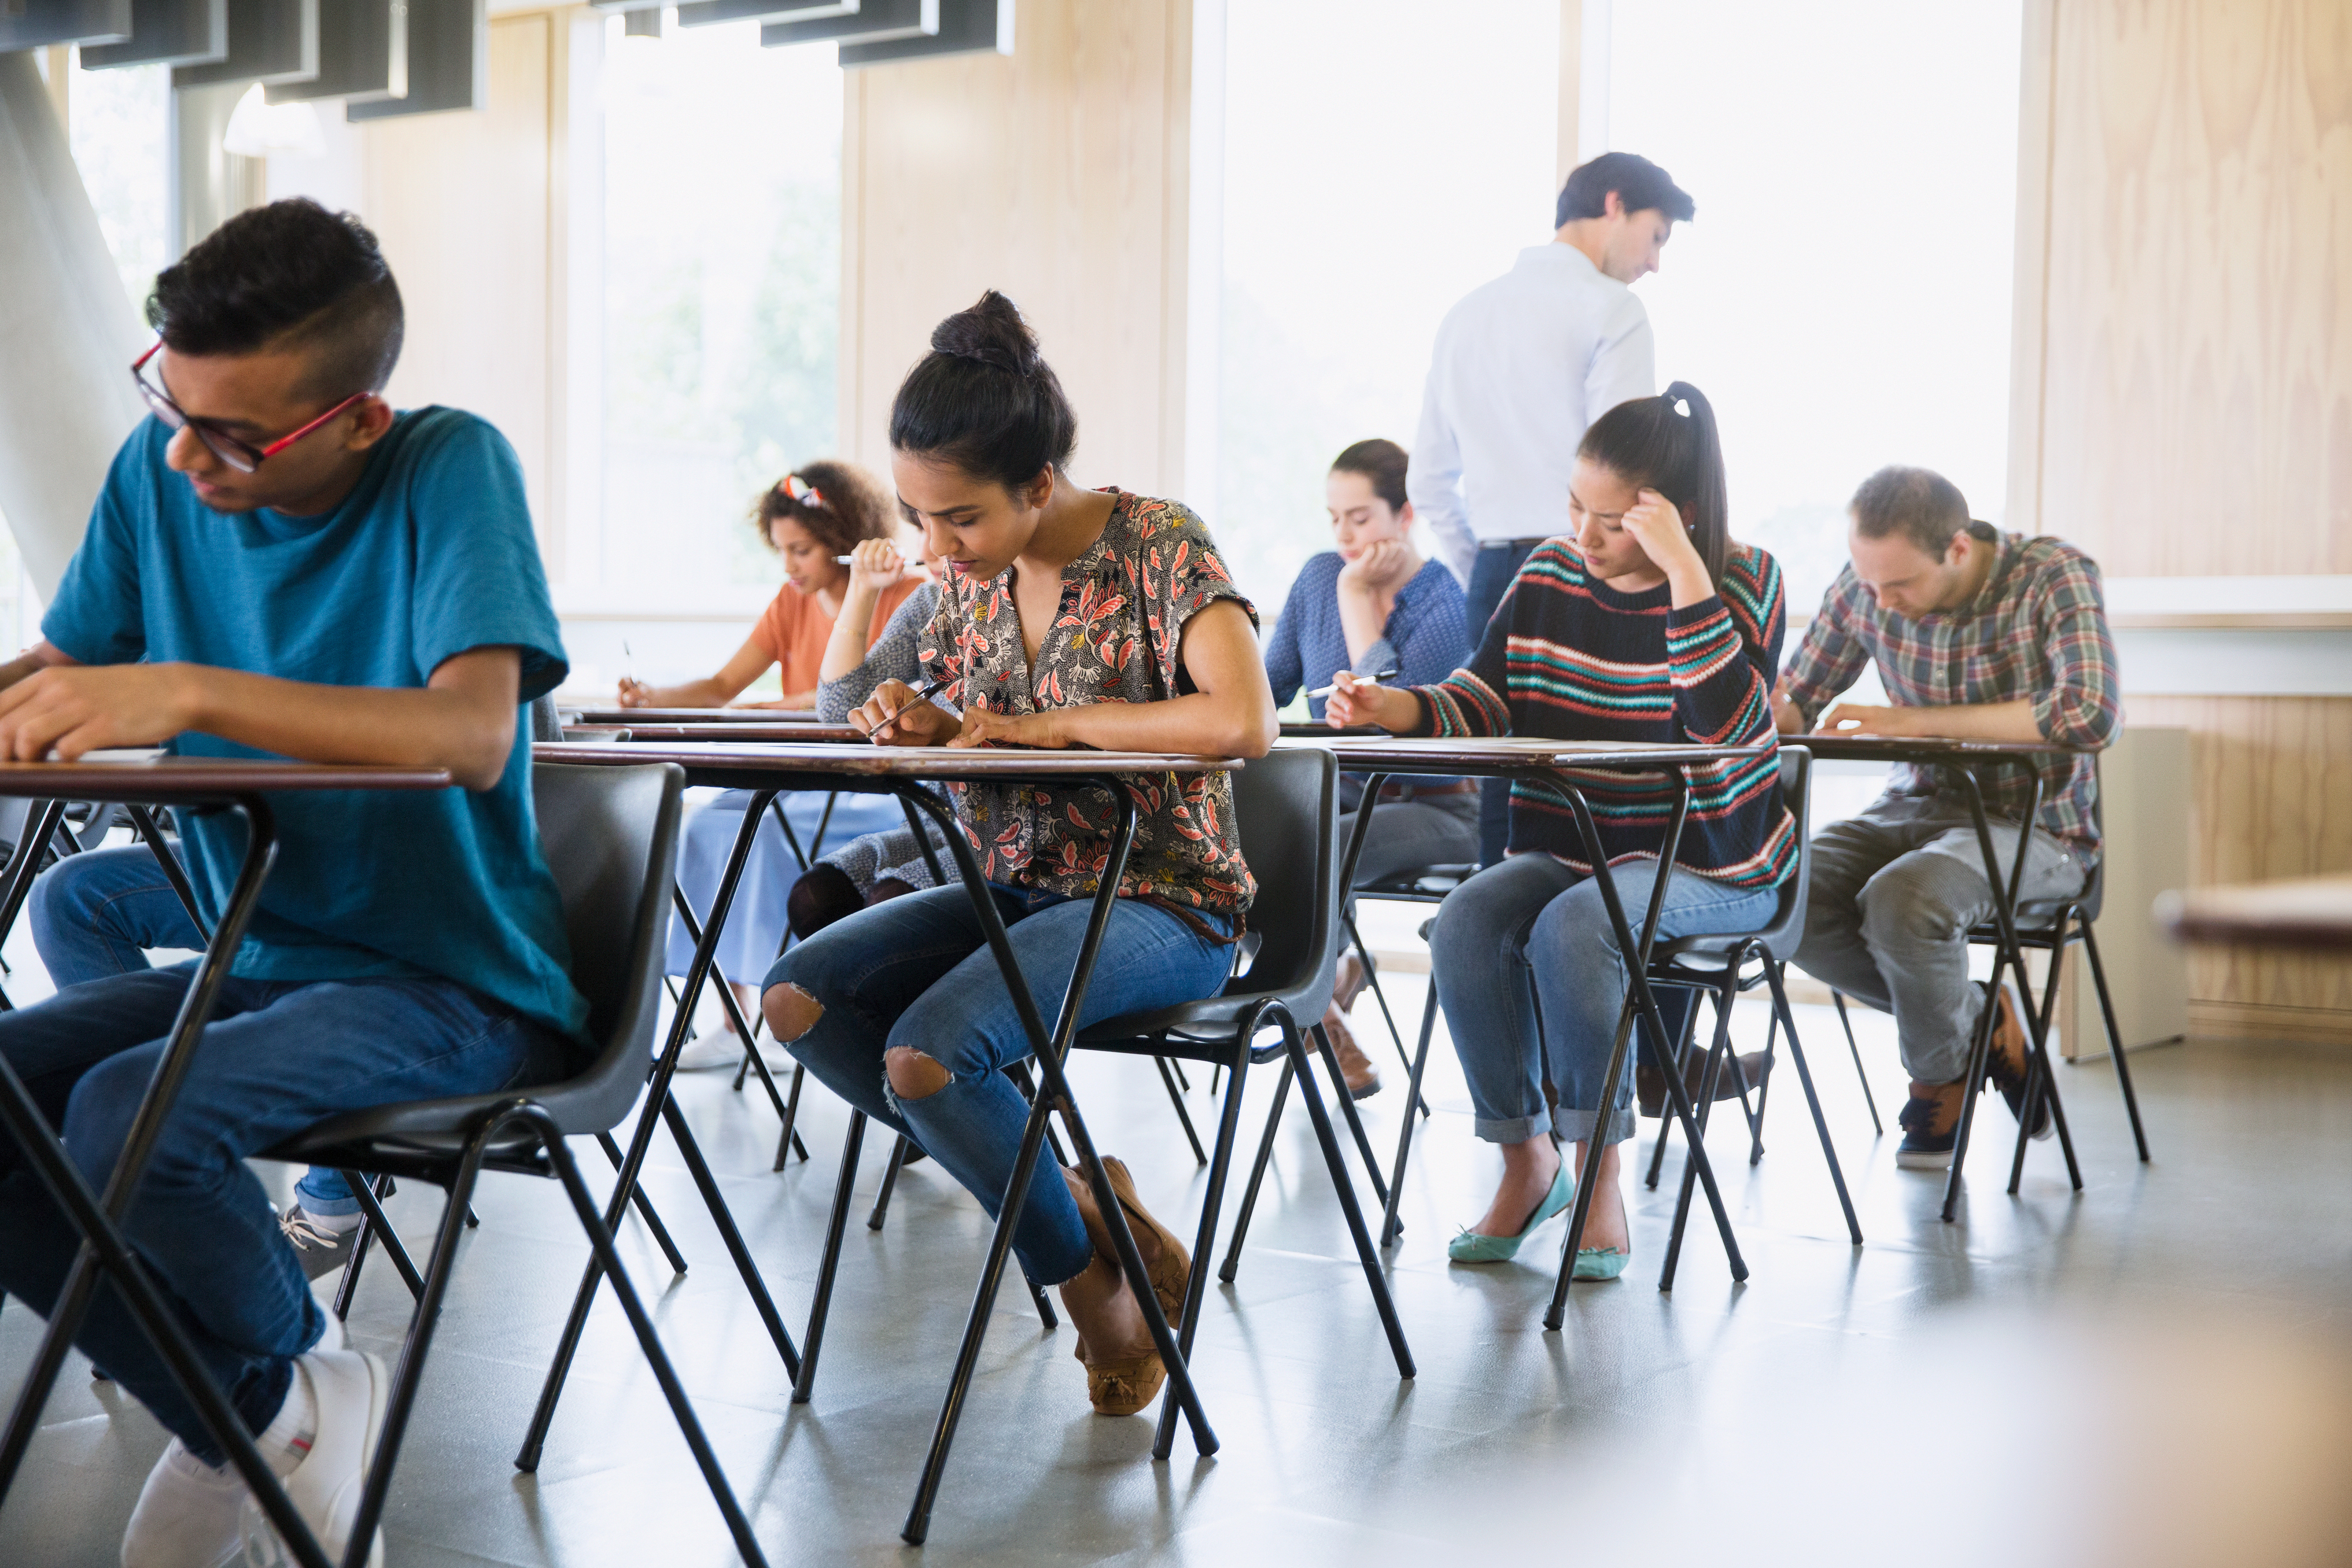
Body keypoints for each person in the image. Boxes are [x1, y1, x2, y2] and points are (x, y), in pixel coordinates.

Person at [0, 198, 582, 1567]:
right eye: (172, 407)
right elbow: (60, 673)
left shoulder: (447, 466)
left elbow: (469, 733)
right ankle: (271, 1407)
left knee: (132, 1117)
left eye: (240, 438)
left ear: (358, 420)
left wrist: (192, 687)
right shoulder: (160, 475)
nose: (191, 458)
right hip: (259, 957)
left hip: (459, 977)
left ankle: (278, 1389)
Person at [761, 290, 1275, 1416]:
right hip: (1009, 884)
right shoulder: (953, 581)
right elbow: (841, 703)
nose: (937, 545)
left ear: (1039, 483)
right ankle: (1088, 1216)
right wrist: (902, 709)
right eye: (917, 515)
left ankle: (1097, 1299)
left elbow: (1241, 720)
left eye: (959, 521)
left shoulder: (1158, 543)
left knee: (927, 1058)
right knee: (798, 1000)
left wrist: (1041, 729)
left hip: (1168, 903)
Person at [1328, 382, 1792, 1281]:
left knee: (1578, 922)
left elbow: (1724, 725)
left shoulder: (1746, 580)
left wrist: (1685, 577)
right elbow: (1484, 697)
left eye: (1611, 521)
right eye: (1574, 507)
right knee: (1466, 918)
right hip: (1577, 845)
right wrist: (1393, 705)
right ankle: (1525, 1160)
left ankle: (1597, 1178)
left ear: (1674, 516)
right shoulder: (1547, 575)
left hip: (1715, 861)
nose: (1582, 536)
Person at [1776, 466, 2121, 1169]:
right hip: (1912, 809)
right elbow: (1795, 702)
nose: (1880, 600)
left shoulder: (2051, 574)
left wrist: (1907, 721)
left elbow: (2089, 713)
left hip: (2040, 828)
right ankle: (1980, 1017)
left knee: (1906, 900)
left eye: (1898, 586)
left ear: (1958, 550)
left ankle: (1937, 1079)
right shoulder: (1866, 586)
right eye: (1870, 584)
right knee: (1783, 894)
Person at [1409, 150, 1692, 866]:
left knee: (1504, 785)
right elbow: (1630, 467)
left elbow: (1429, 484)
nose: (1654, 262)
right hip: (1599, 568)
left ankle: (1484, 948)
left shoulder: (1464, 314)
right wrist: (1572, 554)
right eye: (1656, 236)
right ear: (1614, 204)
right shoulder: (1613, 310)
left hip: (1499, 568)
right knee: (1604, 790)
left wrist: (1495, 565)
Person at [619, 463, 927, 1063]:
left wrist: (789, 702)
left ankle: (773, 1002)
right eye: (781, 551)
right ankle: (733, 1009)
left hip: (870, 786)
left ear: (843, 543)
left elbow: (860, 700)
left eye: (802, 550)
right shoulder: (791, 602)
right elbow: (721, 686)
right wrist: (654, 696)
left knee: (756, 833)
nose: (790, 566)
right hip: (800, 776)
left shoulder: (910, 596)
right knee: (704, 823)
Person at [1264, 438, 1472, 1097]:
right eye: (1334, 519)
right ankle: (1321, 998)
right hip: (1344, 793)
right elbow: (1267, 687)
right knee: (1247, 848)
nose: (1344, 535)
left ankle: (1312, 1015)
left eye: (1360, 518)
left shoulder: (1447, 597)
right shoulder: (1316, 578)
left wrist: (1357, 596)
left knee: (1320, 845)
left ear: (1405, 514)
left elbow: (1390, 717)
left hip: (1438, 806)